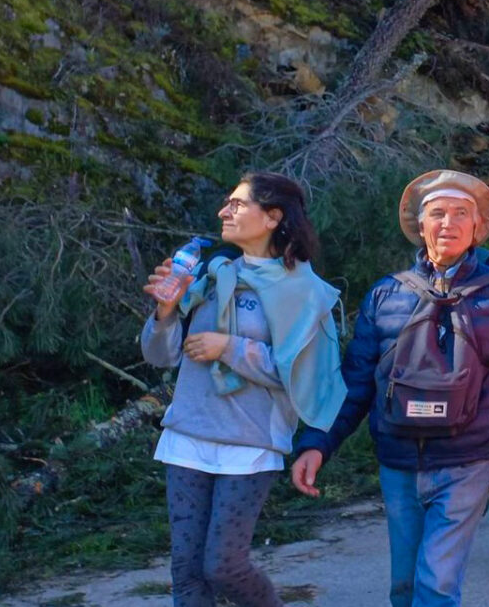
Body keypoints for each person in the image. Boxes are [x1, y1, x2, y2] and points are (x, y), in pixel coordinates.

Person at [291, 170, 489, 607]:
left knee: (437, 586)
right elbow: (355, 383)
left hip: (469, 459)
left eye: (460, 214)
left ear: (477, 226)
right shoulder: (385, 295)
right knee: (404, 588)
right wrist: (318, 443)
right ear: (420, 225)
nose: (448, 223)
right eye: (438, 214)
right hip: (399, 461)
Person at [140, 172, 344, 607]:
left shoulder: (303, 291)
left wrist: (230, 347)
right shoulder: (211, 275)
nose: (223, 212)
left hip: (249, 443)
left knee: (223, 566)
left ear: (272, 217)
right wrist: (164, 313)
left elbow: (302, 376)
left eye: (236, 204)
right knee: (187, 572)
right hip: (186, 437)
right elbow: (162, 356)